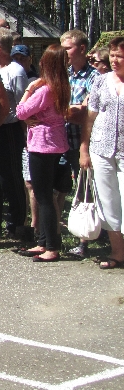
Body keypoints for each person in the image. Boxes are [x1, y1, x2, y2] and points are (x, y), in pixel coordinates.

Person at [15, 45, 71, 262]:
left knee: (44, 197)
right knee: (46, 195)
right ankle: (43, 241)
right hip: (56, 143)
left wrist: (30, 89)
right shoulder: (61, 86)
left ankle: (51, 247)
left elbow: (21, 112)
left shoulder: (46, 90)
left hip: (42, 145)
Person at [81, 35, 124, 269]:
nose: (115, 60)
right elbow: (91, 116)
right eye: (113, 55)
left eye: (120, 56)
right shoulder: (101, 81)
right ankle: (118, 254)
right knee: (108, 202)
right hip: (101, 148)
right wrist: (84, 148)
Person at [0, 27, 30, 238]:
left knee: (11, 177)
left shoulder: (16, 71)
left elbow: (22, 105)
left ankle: (16, 223)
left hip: (11, 128)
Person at [58, 29, 98, 225]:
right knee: (58, 187)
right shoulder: (64, 74)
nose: (63, 53)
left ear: (82, 49)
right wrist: (69, 110)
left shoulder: (94, 77)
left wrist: (62, 110)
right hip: (61, 139)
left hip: (81, 141)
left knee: (85, 188)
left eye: (68, 48)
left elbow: (86, 114)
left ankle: (88, 233)